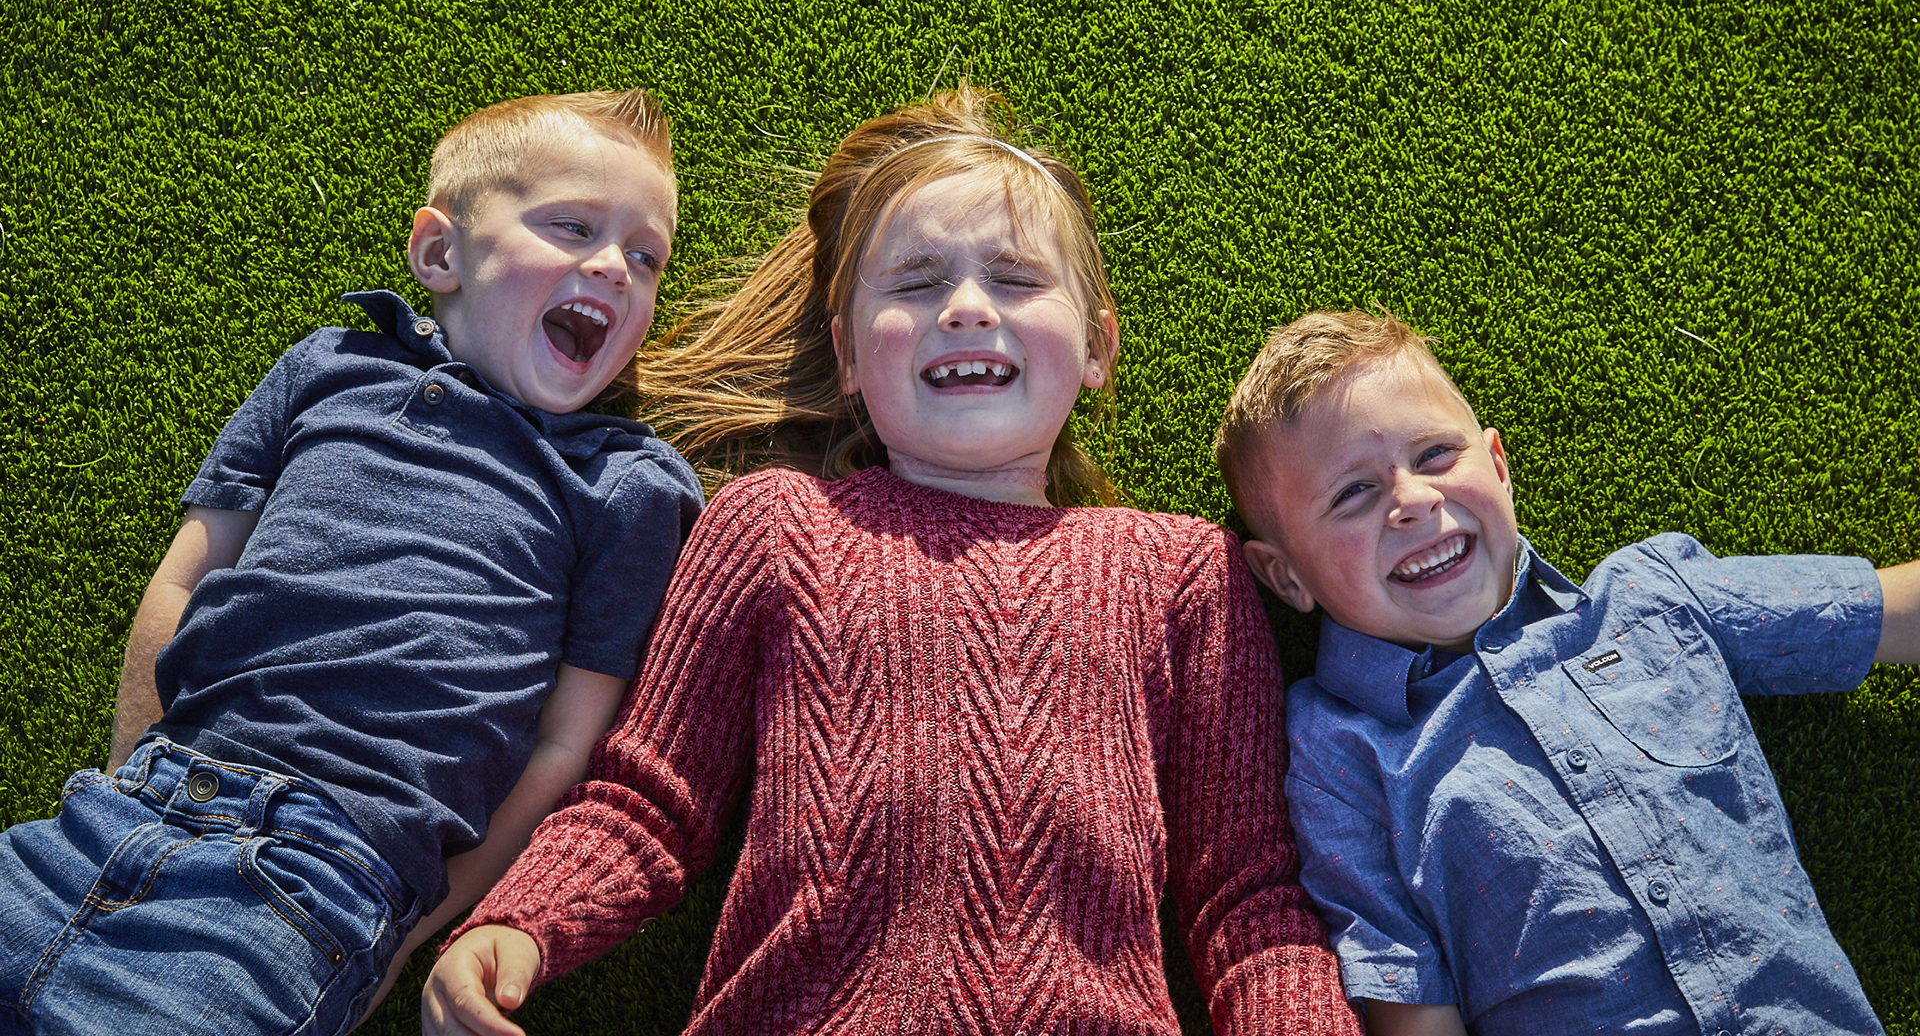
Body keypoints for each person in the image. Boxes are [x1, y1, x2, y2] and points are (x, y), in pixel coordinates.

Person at [422, 87, 1362, 1036]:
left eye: (1015, 278)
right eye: (914, 284)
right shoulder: (774, 525)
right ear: (848, 357)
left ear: (1097, 346)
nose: (965, 309)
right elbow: (650, 803)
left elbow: (1247, 901)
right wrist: (519, 922)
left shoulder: (1183, 574)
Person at [0, 88, 704, 1036]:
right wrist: (131, 774)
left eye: (647, 257)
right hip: (104, 818)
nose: (615, 266)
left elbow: (564, 746)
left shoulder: (626, 485)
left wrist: (409, 934)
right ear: (440, 254)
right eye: (574, 226)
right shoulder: (329, 367)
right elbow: (183, 579)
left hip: (311, 881)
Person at [1211, 309, 1920, 1036]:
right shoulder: (1338, 755)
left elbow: (1887, 610)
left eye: (1435, 454)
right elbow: (1413, 1005)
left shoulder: (1651, 598)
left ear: (1499, 466)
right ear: (1286, 576)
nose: (1415, 501)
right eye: (1352, 493)